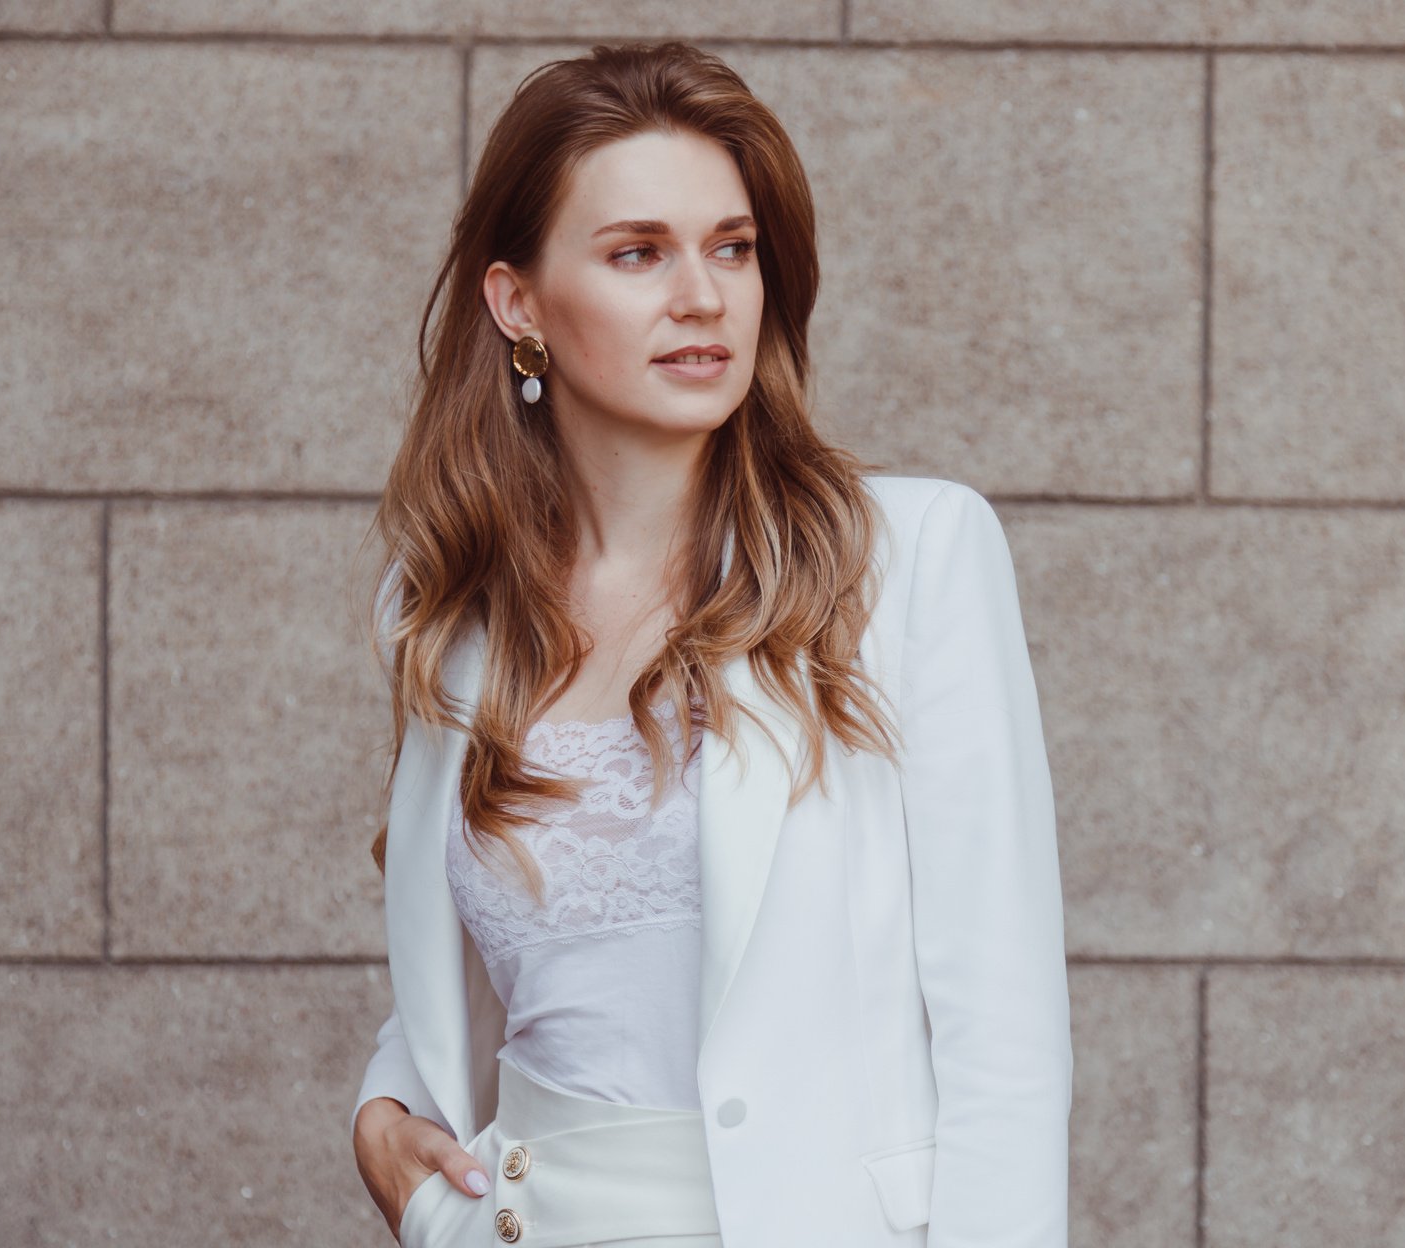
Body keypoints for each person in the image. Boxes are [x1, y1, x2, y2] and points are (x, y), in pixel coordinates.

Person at [348, 39, 1072, 1248]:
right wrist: (388, 1120)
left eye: (731, 248)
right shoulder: (446, 614)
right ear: (517, 301)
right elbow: (530, 962)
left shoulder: (909, 558)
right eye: (639, 253)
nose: (703, 296)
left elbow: (1004, 1038)